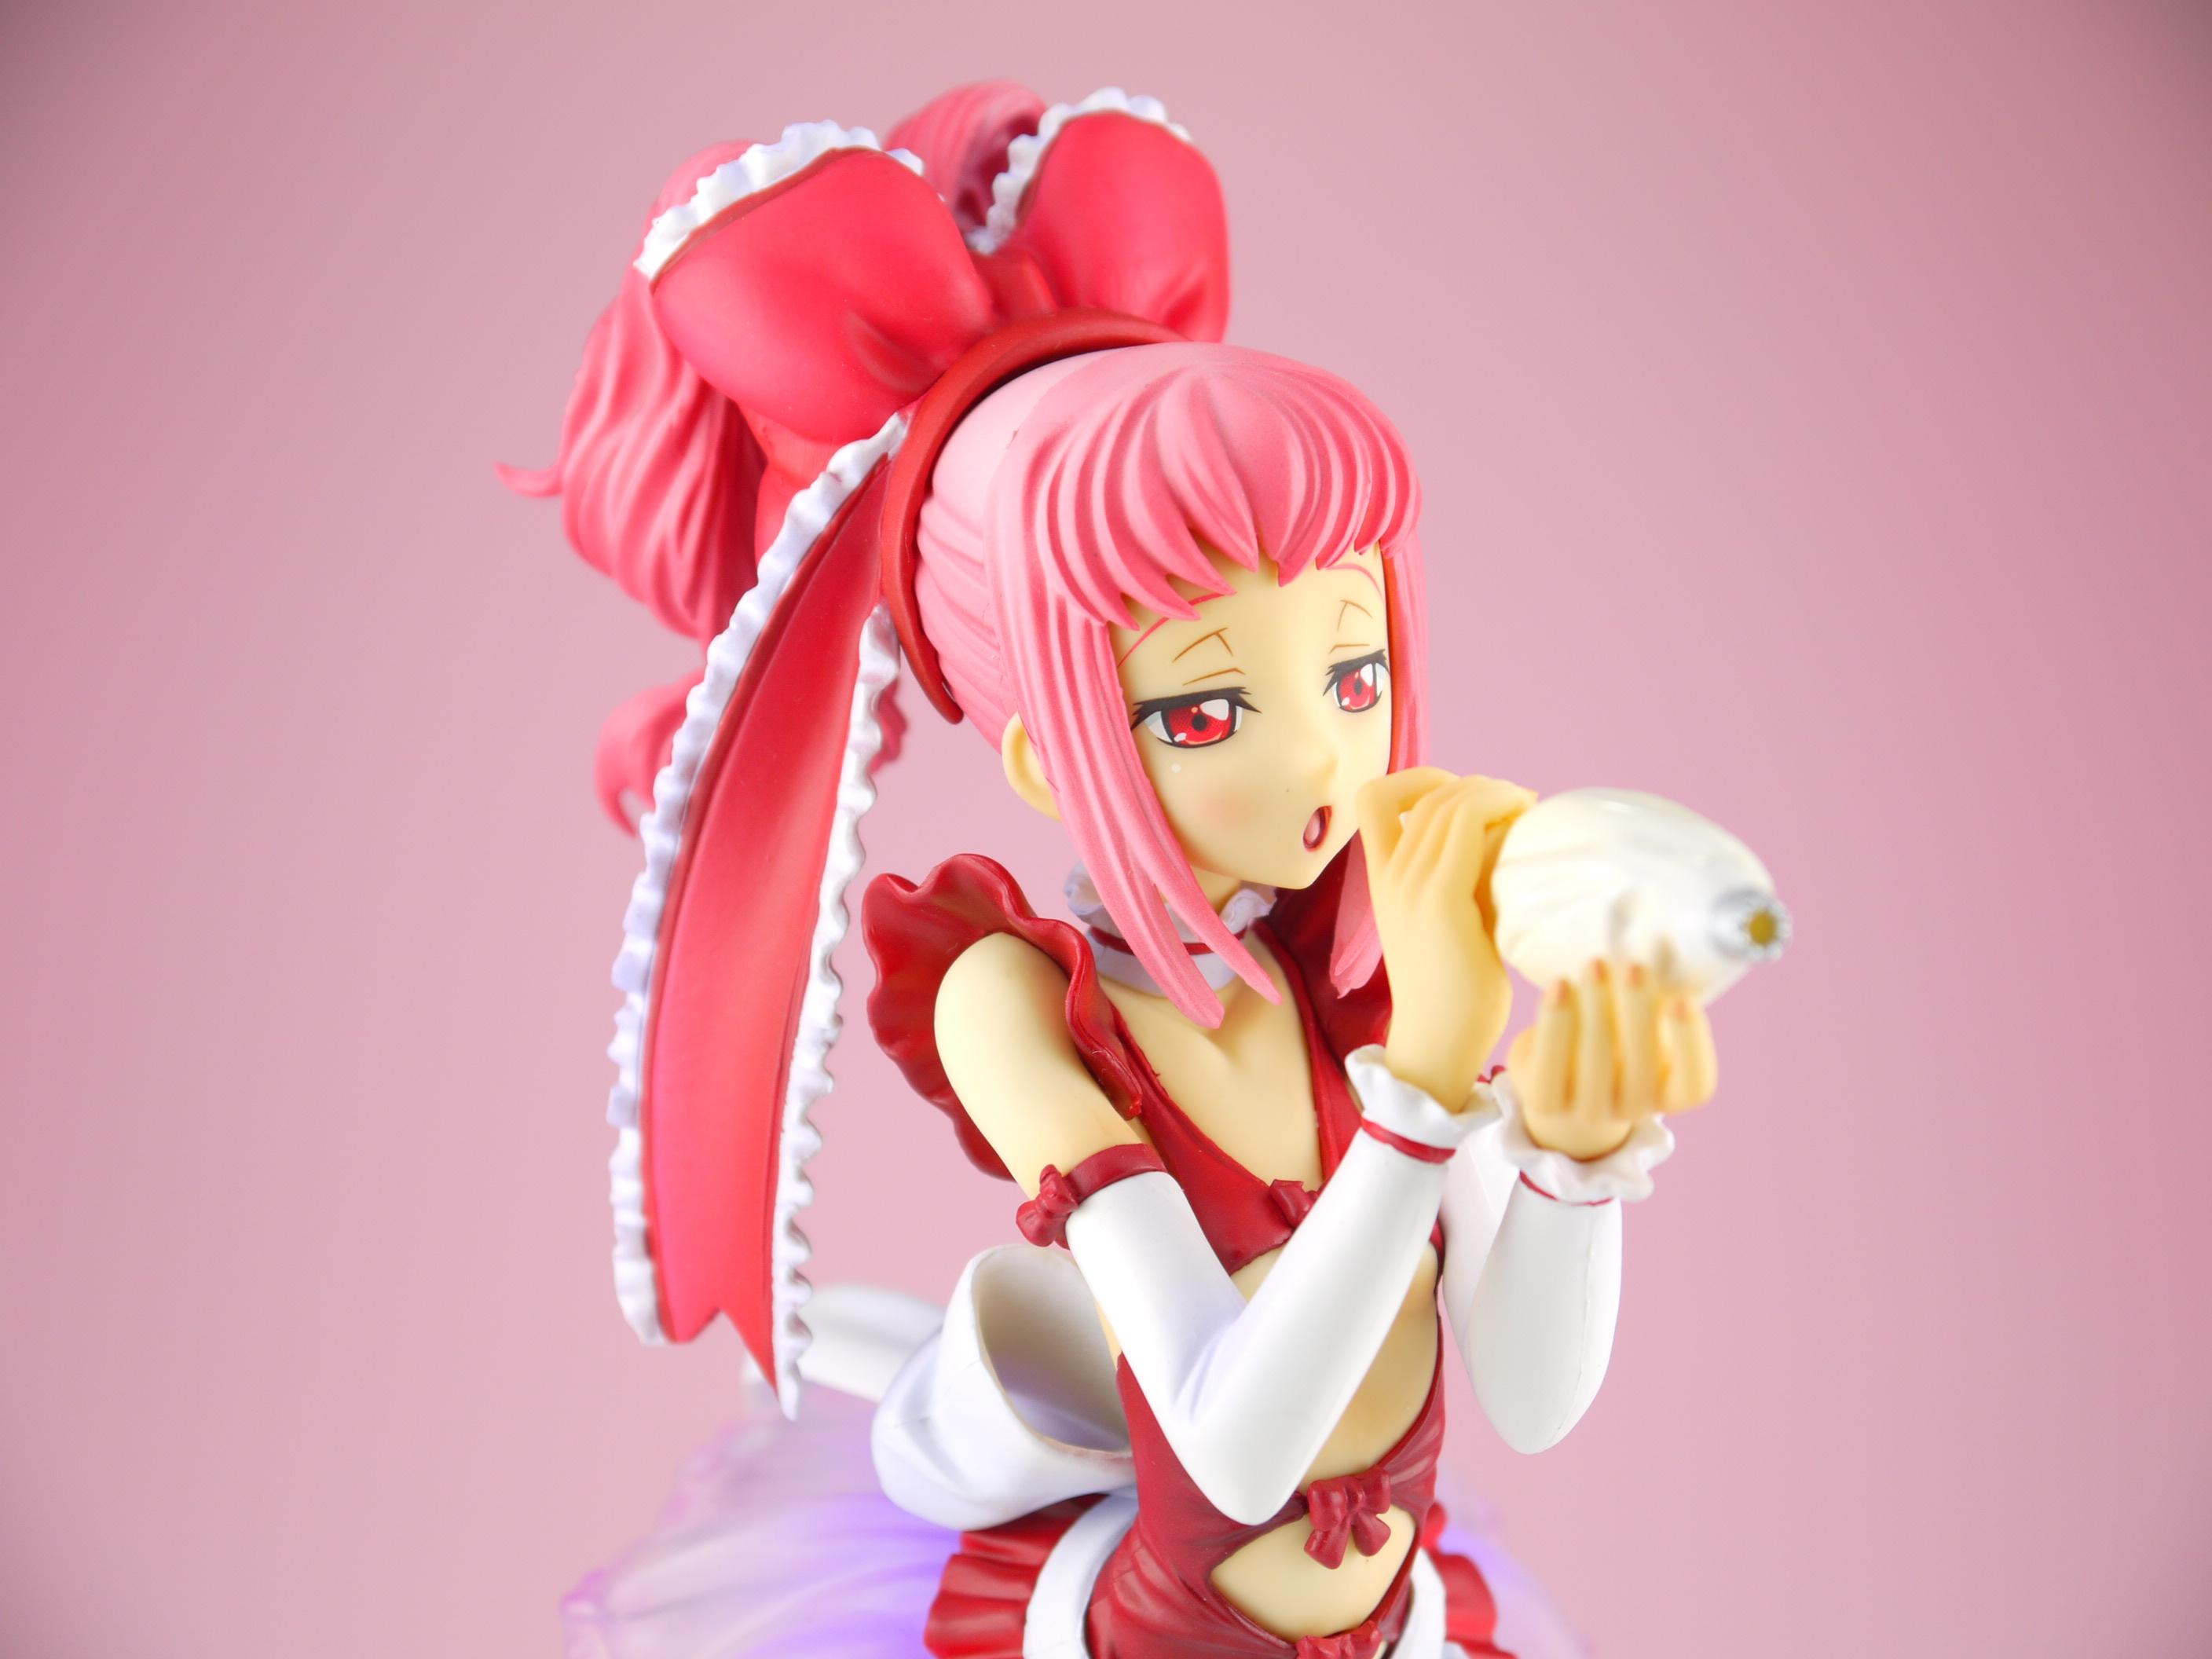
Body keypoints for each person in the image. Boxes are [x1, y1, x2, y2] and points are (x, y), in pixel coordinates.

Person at [511, 81, 1718, 1659]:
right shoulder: (1015, 1004)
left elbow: (1534, 1400)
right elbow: (1230, 1443)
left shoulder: (1349, 977)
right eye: (1210, 709)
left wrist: (1566, 1155)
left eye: (1352, 675)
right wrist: (1426, 1090)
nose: (1322, 762)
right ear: (1043, 755)